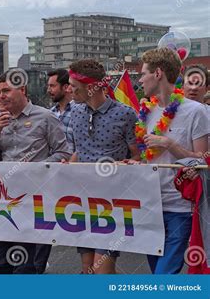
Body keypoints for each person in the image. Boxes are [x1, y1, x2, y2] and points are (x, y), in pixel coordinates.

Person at [0, 68, 71, 274]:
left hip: (36, 200)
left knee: (27, 266)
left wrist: (35, 169)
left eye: (5, 91)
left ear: (22, 90)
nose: (0, 96)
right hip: (5, 201)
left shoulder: (45, 117)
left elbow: (63, 153)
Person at [137, 48, 208, 274]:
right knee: (157, 272)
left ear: (158, 73)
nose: (140, 80)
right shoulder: (145, 111)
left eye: (143, 73)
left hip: (180, 206)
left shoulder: (196, 111)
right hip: (149, 205)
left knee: (164, 276)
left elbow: (203, 160)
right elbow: (144, 157)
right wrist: (132, 163)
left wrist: (169, 144)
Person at [67, 59, 140, 274]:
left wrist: (128, 164)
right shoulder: (76, 111)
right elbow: (79, 151)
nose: (69, 90)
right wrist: (63, 170)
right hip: (82, 198)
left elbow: (137, 155)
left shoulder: (125, 114)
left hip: (112, 201)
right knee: (87, 268)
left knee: (102, 270)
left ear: (91, 88)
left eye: (74, 86)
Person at [47, 68, 75, 150]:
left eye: (52, 86)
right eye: (48, 86)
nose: (48, 90)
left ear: (65, 87)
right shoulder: (50, 113)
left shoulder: (80, 112)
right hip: (54, 161)